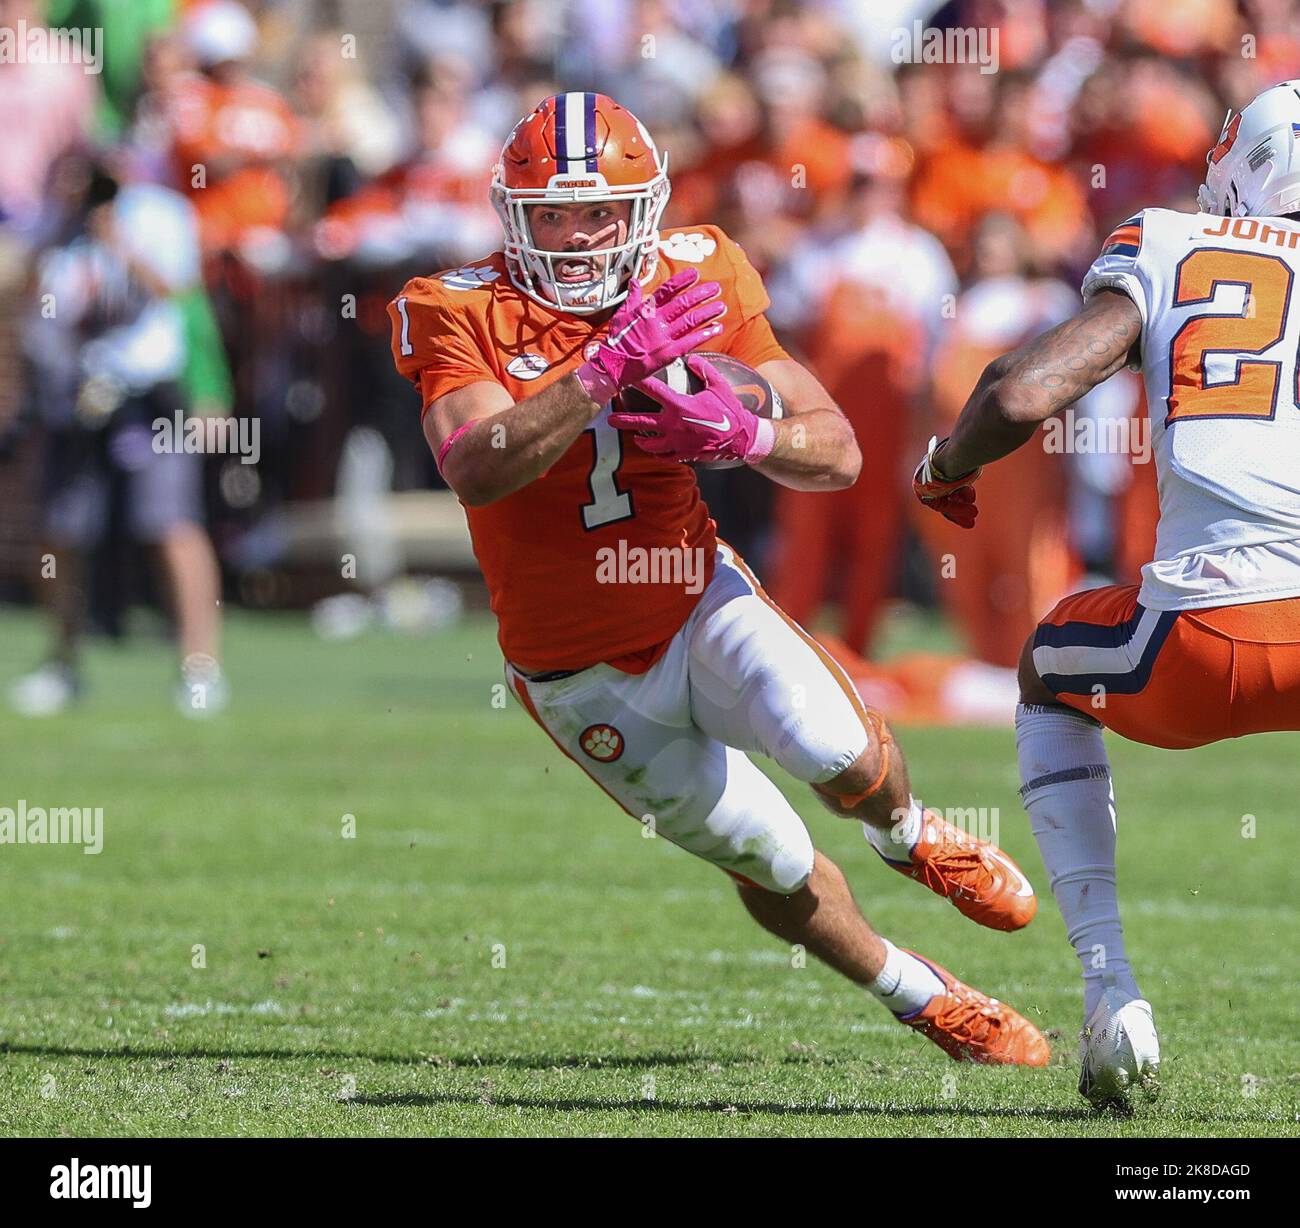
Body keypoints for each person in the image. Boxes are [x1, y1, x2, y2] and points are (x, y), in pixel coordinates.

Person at [390, 92, 1047, 1066]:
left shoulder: (697, 271)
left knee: (838, 751)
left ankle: (908, 832)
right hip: (573, 671)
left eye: (599, 212)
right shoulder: (451, 305)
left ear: (643, 210)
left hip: (696, 600)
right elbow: (475, 464)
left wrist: (748, 434)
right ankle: (920, 994)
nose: (575, 238)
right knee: (768, 856)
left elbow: (836, 451)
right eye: (552, 214)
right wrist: (600, 373)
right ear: (511, 214)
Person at [913, 79, 1300, 1104]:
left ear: (1233, 172)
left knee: (1046, 665)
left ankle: (1109, 986)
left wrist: (948, 461)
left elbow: (1023, 391)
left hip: (1203, 643)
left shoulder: (1176, 238)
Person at [12, 157, 225, 717]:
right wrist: (54, 236)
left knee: (171, 524)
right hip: (77, 394)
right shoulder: (54, 227)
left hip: (150, 393)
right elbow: (29, 304)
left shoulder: (158, 216)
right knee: (61, 533)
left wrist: (119, 243)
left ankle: (200, 668)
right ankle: (62, 664)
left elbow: (177, 295)